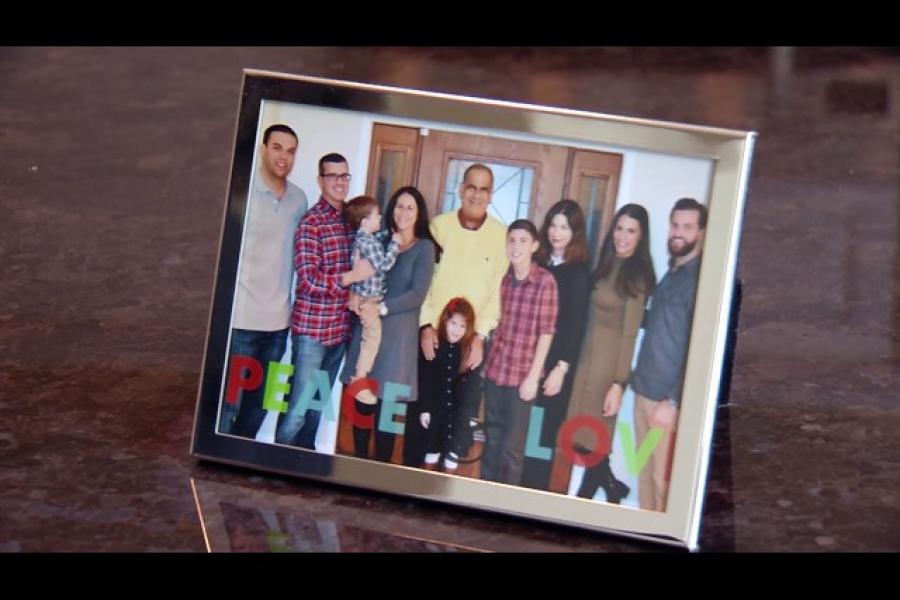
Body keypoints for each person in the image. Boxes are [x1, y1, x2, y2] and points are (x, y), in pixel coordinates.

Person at [274, 153, 374, 450]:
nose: (340, 183)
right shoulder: (311, 223)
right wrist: (350, 276)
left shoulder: (351, 222)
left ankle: (303, 466)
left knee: (317, 409)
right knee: (298, 411)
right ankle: (274, 466)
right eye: (333, 176)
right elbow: (309, 280)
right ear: (321, 180)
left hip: (339, 333)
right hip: (312, 335)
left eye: (344, 176)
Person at [339, 186, 437, 463]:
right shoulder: (378, 239)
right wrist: (355, 295)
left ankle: (379, 473)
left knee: (386, 415)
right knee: (362, 404)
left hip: (397, 339)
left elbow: (417, 294)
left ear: (419, 215)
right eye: (399, 206)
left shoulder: (425, 248)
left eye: (410, 208)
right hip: (369, 331)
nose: (403, 213)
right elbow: (360, 272)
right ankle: (358, 466)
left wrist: (383, 307)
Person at [418, 164, 508, 465]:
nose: (476, 194)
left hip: (472, 340)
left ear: (490, 195)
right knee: (431, 404)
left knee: (463, 406)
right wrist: (426, 326)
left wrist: (481, 336)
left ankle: (454, 457)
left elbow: (497, 292)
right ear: (460, 189)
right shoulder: (439, 227)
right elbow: (424, 281)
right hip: (438, 335)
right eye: (471, 186)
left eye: (484, 189)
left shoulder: (500, 236)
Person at [222, 123, 307, 439]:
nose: (283, 156)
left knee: (260, 406)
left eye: (290, 150)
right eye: (277, 147)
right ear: (263, 148)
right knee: (229, 406)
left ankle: (241, 460)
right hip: (241, 322)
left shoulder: (299, 200)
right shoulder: (241, 192)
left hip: (278, 325)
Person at [567, 203, 657, 503]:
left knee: (593, 439)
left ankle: (584, 499)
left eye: (631, 231)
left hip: (607, 369)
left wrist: (619, 384)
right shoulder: (606, 265)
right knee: (581, 438)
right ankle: (611, 487)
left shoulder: (637, 276)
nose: (622, 236)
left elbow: (630, 335)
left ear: (641, 237)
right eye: (619, 228)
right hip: (585, 362)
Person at [630, 197, 706, 512]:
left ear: (701, 232)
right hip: (643, 395)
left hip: (666, 406)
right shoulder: (671, 271)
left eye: (687, 227)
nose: (678, 232)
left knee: (665, 484)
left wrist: (673, 402)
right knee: (644, 474)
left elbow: (697, 348)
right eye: (675, 225)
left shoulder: (701, 280)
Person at [519, 200, 591, 492]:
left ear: (575, 232)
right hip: (529, 361)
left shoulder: (579, 273)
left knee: (540, 438)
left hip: (555, 368)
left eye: (564, 227)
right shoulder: (540, 265)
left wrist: (560, 369)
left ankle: (532, 498)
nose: (557, 233)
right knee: (523, 433)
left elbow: (576, 327)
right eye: (553, 225)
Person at [481, 219, 558, 484]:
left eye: (523, 241)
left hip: (522, 378)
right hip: (496, 372)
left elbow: (547, 333)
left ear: (535, 245)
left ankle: (504, 511)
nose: (516, 246)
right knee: (491, 443)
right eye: (512, 240)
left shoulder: (545, 282)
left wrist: (533, 377)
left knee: (512, 451)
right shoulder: (503, 280)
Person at [343, 195, 401, 404]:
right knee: (372, 339)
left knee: (369, 339)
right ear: (364, 221)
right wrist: (395, 244)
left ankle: (359, 379)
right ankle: (359, 380)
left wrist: (388, 233)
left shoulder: (363, 238)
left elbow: (376, 243)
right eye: (377, 215)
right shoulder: (370, 243)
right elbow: (384, 264)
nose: (381, 218)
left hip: (363, 297)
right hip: (369, 301)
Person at [418, 298, 477, 473]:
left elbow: (473, 387)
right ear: (445, 321)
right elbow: (426, 379)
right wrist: (426, 408)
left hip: (457, 415)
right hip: (436, 411)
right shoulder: (434, 345)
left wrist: (471, 416)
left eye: (462, 326)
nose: (457, 330)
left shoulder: (468, 351)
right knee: (431, 451)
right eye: (453, 323)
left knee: (452, 455)